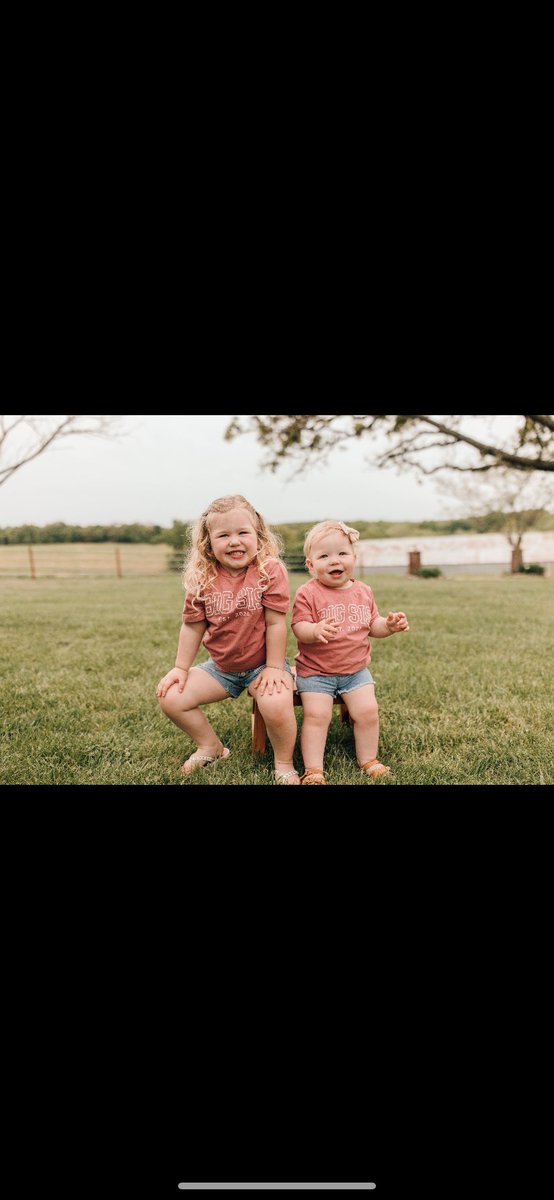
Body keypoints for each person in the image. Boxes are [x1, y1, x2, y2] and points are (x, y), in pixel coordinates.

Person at [156, 495, 300, 784]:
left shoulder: (269, 570)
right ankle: (210, 746)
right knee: (171, 697)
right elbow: (192, 627)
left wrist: (274, 667)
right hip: (221, 668)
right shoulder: (202, 576)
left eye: (243, 533)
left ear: (258, 536)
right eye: (224, 535)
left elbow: (275, 623)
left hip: (263, 665)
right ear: (208, 543)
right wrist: (181, 668)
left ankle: (284, 763)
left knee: (275, 704)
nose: (235, 541)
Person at [291, 520, 409, 785]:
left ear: (353, 558)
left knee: (368, 712)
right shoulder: (307, 593)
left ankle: (368, 759)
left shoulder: (363, 591)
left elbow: (372, 626)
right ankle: (313, 770)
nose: (335, 561)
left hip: (355, 671)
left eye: (342, 553)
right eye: (324, 556)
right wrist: (314, 630)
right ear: (310, 565)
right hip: (315, 672)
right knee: (317, 716)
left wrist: (388, 627)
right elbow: (298, 626)